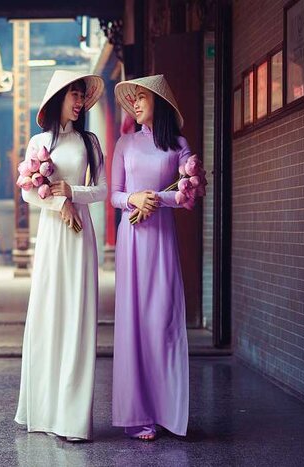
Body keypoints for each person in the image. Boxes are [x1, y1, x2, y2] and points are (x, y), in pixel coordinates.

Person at [14, 70, 106, 441]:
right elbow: (27, 193)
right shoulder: (39, 142)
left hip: (79, 234)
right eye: (73, 94)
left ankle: (72, 420)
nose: (79, 101)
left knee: (78, 318)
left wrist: (73, 193)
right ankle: (45, 410)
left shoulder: (91, 141)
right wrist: (58, 204)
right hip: (54, 236)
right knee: (48, 315)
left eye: (82, 95)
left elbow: (101, 190)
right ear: (58, 100)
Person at [110, 74, 192, 440]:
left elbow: (188, 192)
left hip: (161, 239)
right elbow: (112, 194)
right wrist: (132, 199)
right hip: (132, 239)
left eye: (142, 98)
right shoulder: (124, 144)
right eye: (133, 100)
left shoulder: (178, 145)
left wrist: (156, 198)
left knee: (163, 320)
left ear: (159, 102)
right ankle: (139, 414)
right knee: (135, 323)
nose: (135, 104)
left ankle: (167, 411)